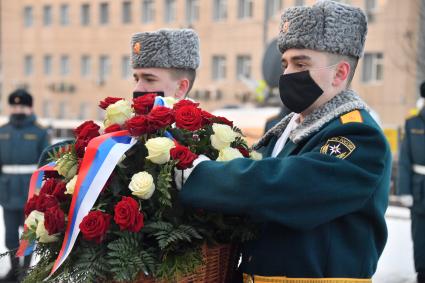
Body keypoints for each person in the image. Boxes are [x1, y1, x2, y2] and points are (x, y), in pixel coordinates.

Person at [177, 1, 392, 282]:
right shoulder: (285, 131)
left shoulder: (359, 136)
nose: (287, 74)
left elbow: (284, 187)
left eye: (301, 63)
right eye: (285, 63)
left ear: (340, 73)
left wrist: (199, 175)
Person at [38, 28, 200, 166]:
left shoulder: (205, 142)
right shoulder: (124, 135)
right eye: (136, 79)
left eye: (149, 79)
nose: (137, 88)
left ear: (181, 87)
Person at [0, 89, 49, 282]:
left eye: (22, 106)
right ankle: (14, 270)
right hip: (7, 189)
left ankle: (25, 272)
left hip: (31, 191)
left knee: (29, 234)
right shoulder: (3, 131)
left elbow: (46, 162)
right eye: (15, 106)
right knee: (11, 235)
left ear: (30, 108)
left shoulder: (39, 132)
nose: (17, 109)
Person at [397, 81, 425, 283]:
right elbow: (405, 159)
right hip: (420, 190)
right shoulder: (413, 123)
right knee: (421, 236)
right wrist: (404, 190)